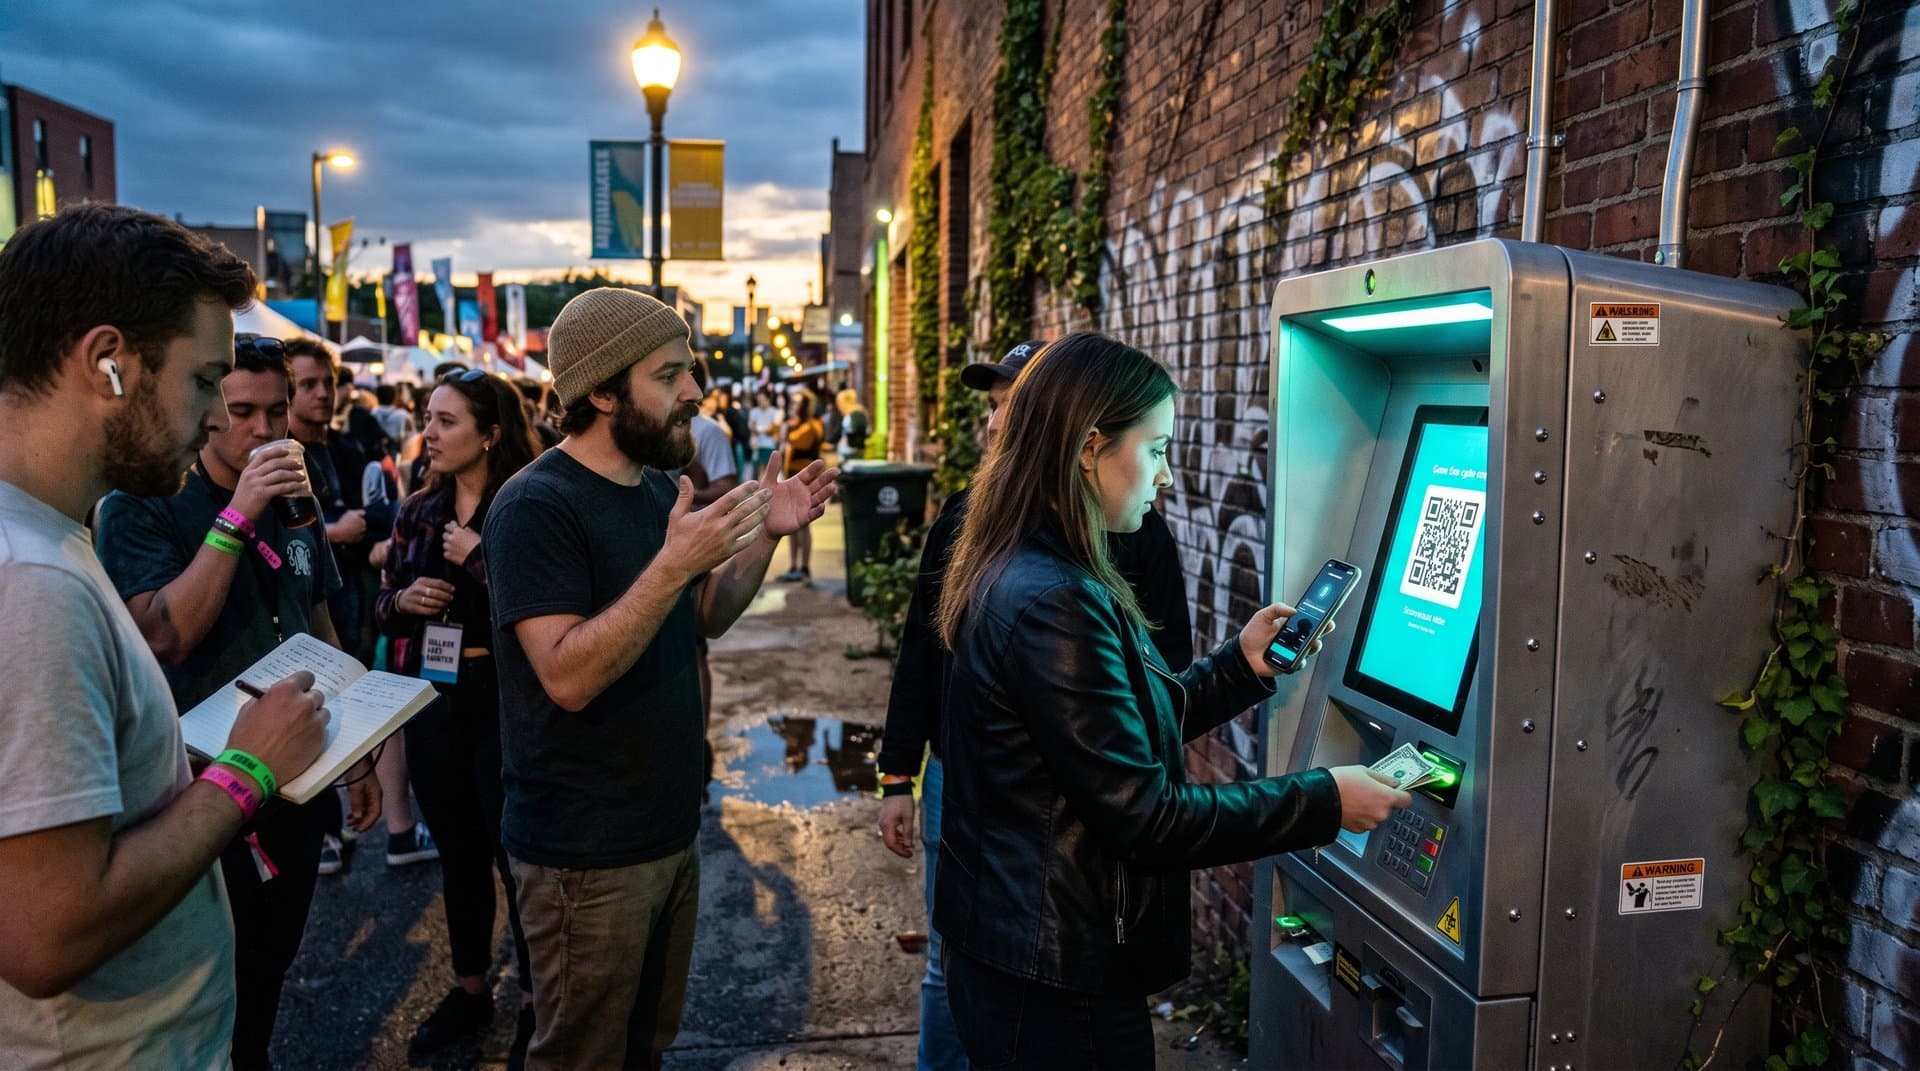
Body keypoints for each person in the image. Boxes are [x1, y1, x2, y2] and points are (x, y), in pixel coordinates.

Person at [932, 333, 1411, 1069]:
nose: (1166, 477)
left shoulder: (1024, 562)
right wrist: (1324, 801)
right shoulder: (1058, 598)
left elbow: (1103, 736)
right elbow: (1146, 817)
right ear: (1091, 447)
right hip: (1058, 978)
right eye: (1155, 450)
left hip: (1025, 956)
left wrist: (1239, 670)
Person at [0, 203, 330, 1066]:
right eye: (201, 381)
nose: (218, 417)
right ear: (108, 362)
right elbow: (48, 934)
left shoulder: (44, 537)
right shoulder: (32, 578)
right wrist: (246, 769)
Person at [485, 287, 837, 1070]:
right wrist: (673, 563)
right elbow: (568, 676)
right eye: (670, 374)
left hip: (666, 832)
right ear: (603, 391)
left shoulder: (652, 489)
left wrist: (765, 540)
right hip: (584, 851)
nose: (694, 392)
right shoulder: (534, 505)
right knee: (580, 1056)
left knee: (646, 1048)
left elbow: (705, 615)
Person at [874, 340, 1193, 1071]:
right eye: (993, 407)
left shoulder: (1121, 535)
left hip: (1049, 865)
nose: (998, 423)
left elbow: (1156, 683)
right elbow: (922, 653)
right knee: (953, 967)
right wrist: (898, 772)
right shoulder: (1008, 552)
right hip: (998, 831)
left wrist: (1237, 672)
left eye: (1013, 405)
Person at [94, 333, 383, 1071]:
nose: (263, 430)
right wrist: (239, 511)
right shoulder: (144, 503)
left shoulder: (299, 492)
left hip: (301, 772)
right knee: (213, 975)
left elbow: (317, 617)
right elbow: (165, 636)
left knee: (271, 962)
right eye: (242, 411)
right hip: (199, 780)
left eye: (276, 412)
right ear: (207, 411)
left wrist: (361, 746)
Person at [376, 369, 540, 1063]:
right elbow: (382, 603)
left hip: (508, 695)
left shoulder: (526, 503)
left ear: (490, 433)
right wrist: (403, 598)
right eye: (427, 418)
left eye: (446, 421)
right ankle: (471, 986)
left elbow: (544, 610)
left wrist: (480, 562)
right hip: (436, 692)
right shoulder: (418, 508)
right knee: (459, 851)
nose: (429, 433)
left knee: (517, 853)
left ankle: (537, 995)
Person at [285, 338, 427, 873]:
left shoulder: (349, 447)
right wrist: (336, 532)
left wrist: (377, 539)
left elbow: (384, 511)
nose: (324, 394)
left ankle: (388, 828)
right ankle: (322, 829)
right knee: (312, 711)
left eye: (330, 382)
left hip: (361, 604)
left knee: (369, 705)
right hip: (308, 615)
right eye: (308, 385)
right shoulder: (276, 457)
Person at [774, 391, 824, 583]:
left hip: (805, 481)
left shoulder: (811, 427)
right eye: (792, 403)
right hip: (791, 479)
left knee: (803, 525)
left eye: (797, 403)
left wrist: (786, 431)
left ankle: (804, 567)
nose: (793, 406)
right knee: (792, 526)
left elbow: (794, 440)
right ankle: (794, 566)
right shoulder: (795, 425)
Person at [748, 387, 781, 471]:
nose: (760, 403)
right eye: (758, 400)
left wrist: (758, 429)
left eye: (762, 400)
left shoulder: (774, 411)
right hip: (757, 445)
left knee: (768, 470)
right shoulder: (754, 411)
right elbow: (751, 428)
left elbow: (773, 429)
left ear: (768, 399)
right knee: (757, 471)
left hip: (770, 446)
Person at [836, 388, 871, 458]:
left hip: (851, 453)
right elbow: (868, 432)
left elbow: (849, 435)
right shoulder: (862, 412)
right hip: (860, 451)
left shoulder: (852, 415)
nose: (838, 406)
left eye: (839, 403)